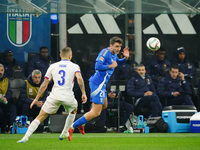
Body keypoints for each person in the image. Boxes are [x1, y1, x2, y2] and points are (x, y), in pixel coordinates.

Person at [17, 47, 87, 143]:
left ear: (60, 55)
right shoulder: (74, 66)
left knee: (40, 116)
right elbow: (79, 79)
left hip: (54, 96)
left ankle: (25, 137)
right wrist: (83, 93)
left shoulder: (53, 66)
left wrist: (36, 99)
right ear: (70, 56)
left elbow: (44, 84)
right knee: (73, 110)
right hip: (68, 96)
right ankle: (65, 132)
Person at [68, 36, 129, 140]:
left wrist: (125, 58)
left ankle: (84, 121)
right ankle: (72, 127)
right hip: (97, 84)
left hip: (102, 85)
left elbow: (117, 63)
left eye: (120, 47)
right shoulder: (105, 53)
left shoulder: (114, 54)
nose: (118, 49)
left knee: (104, 106)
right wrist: (110, 66)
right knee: (96, 112)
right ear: (111, 46)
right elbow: (97, 66)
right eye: (116, 46)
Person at [0, 64, 17, 133]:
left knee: (13, 108)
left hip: (4, 101)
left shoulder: (6, 80)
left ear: (4, 71)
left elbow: (9, 93)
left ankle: (11, 127)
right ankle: (3, 127)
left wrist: (6, 98)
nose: (0, 72)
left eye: (1, 70)